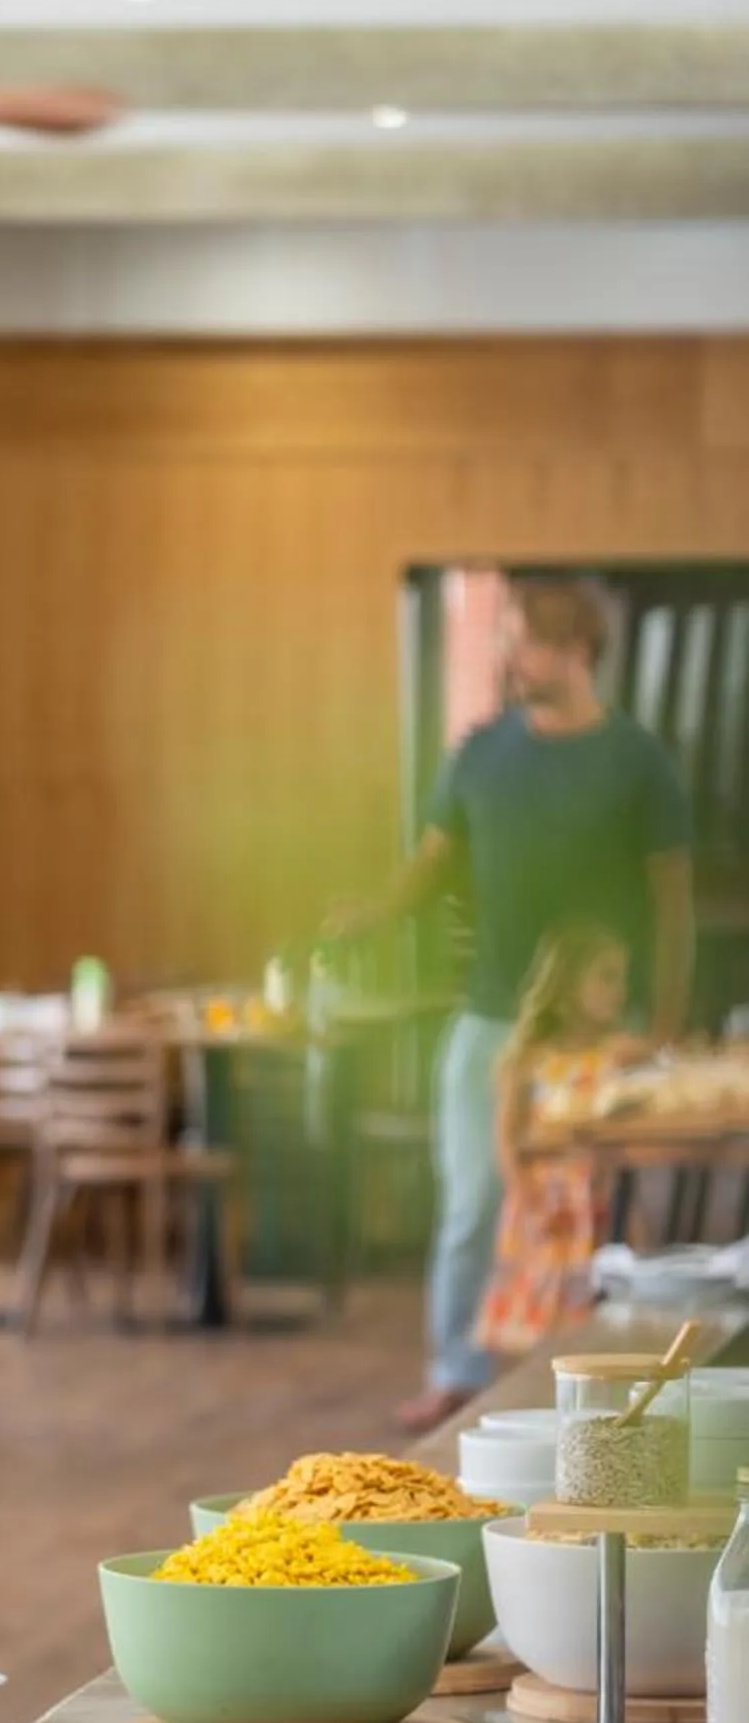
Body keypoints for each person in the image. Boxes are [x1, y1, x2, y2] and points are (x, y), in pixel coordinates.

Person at [332, 574, 693, 1430]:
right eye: (506, 641)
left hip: (600, 1033)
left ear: (577, 650)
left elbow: (673, 901)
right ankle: (457, 1371)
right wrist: (372, 916)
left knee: (600, 1211)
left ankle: (609, 1380)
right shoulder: (481, 752)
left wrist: (665, 1025)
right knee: (471, 1203)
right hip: (492, 1021)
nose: (509, 658)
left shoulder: (637, 762)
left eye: (523, 641)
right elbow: (431, 862)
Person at [477, 924, 641, 1358]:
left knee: (601, 1315)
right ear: (568, 984)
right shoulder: (528, 1059)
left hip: (600, 1197)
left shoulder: (618, 1053)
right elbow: (507, 1137)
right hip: (548, 1202)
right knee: (543, 1320)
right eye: (606, 977)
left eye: (622, 978)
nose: (620, 990)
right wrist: (529, 1200)